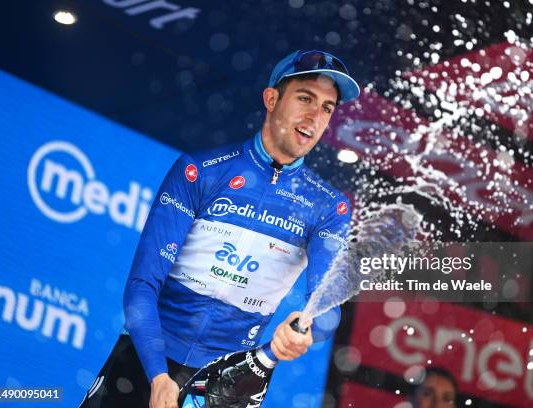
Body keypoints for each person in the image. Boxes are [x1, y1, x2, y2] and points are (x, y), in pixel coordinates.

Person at [79, 49, 360, 408]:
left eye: (326, 107)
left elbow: (326, 309)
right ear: (271, 99)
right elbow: (141, 285)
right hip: (143, 363)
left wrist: (307, 329)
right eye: (305, 98)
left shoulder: (328, 207)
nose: (314, 116)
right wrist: (158, 376)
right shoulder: (201, 170)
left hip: (227, 382)